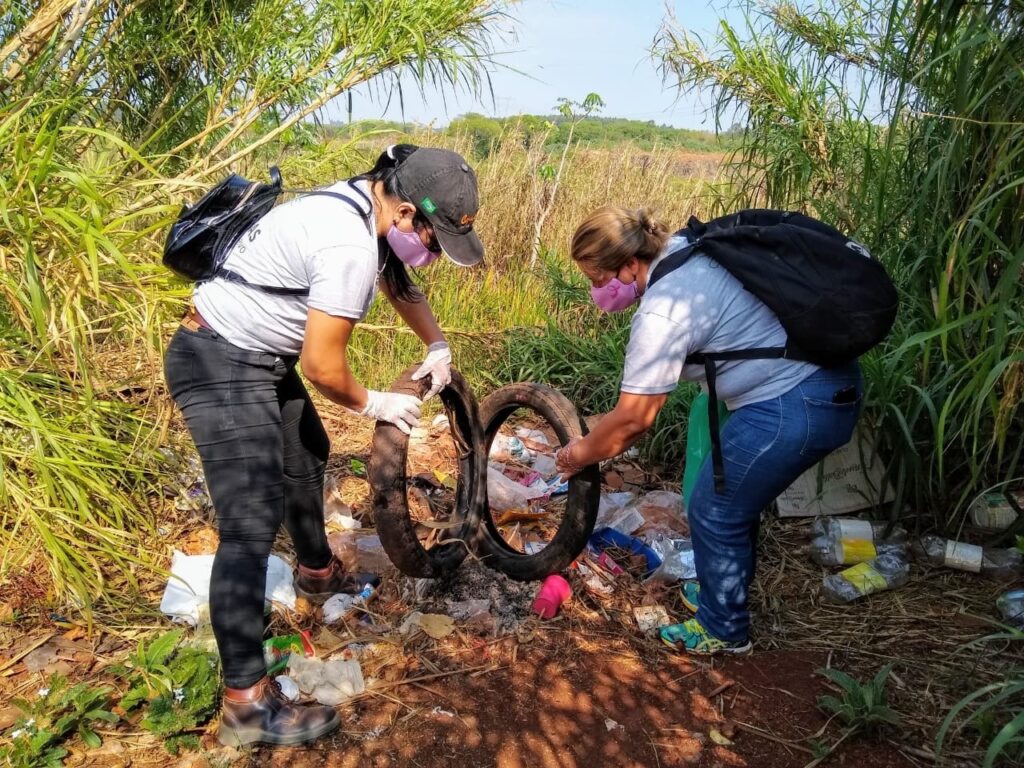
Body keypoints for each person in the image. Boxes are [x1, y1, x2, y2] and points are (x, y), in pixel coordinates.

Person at [164, 144, 484, 746]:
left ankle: (316, 572)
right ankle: (246, 705)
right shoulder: (347, 246)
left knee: (306, 451)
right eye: (435, 238)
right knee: (249, 528)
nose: (434, 252)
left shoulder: (366, 204)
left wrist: (436, 346)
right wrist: (379, 405)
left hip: (256, 357)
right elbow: (323, 367)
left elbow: (399, 282)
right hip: (220, 363)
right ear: (410, 211)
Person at [554, 206, 862, 656]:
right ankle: (723, 591)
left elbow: (634, 420)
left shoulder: (663, 312)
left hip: (797, 400)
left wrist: (577, 455)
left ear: (629, 264)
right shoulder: (683, 249)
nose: (596, 292)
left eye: (599, 280)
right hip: (819, 385)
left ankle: (725, 629)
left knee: (715, 508)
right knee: (731, 497)